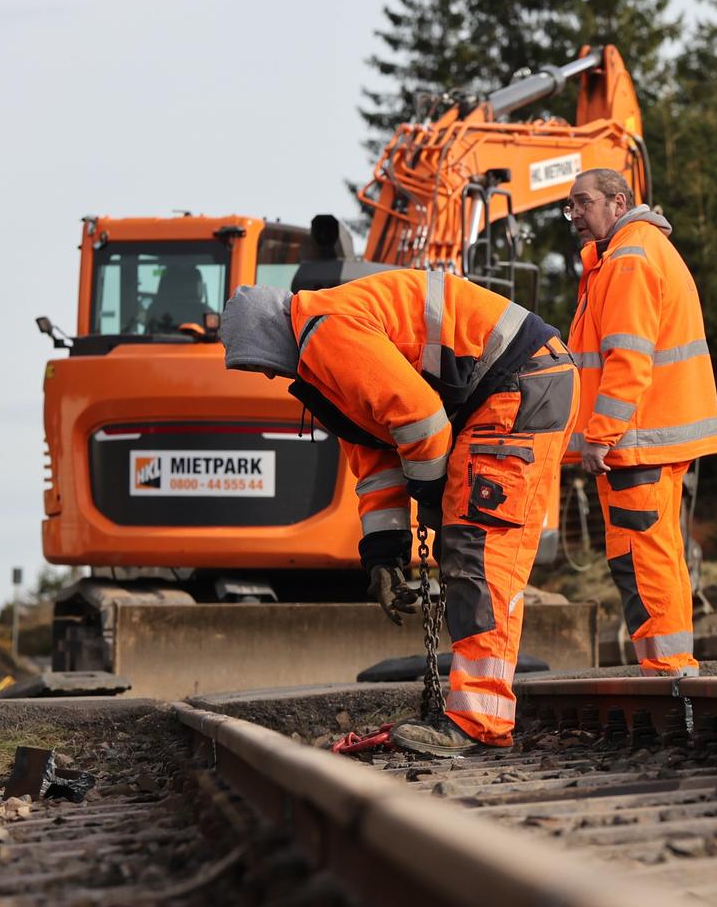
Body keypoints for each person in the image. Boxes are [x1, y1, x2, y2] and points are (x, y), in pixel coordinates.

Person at [219, 270, 575, 755]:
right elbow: (376, 465)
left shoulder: (326, 330)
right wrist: (383, 556)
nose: (266, 375)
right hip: (515, 381)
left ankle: (481, 722)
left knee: (479, 552)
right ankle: (478, 715)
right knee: (470, 550)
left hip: (519, 382)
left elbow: (422, 421)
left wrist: (431, 500)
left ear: (270, 337)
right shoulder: (325, 352)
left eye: (259, 363)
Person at [563, 168, 717, 676]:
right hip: (652, 435)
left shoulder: (628, 259)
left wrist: (599, 436)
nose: (575, 215)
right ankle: (673, 668)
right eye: (570, 206)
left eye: (584, 202)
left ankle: (667, 671)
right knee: (658, 551)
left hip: (635, 439)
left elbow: (627, 360)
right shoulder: (635, 252)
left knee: (641, 555)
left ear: (618, 201)